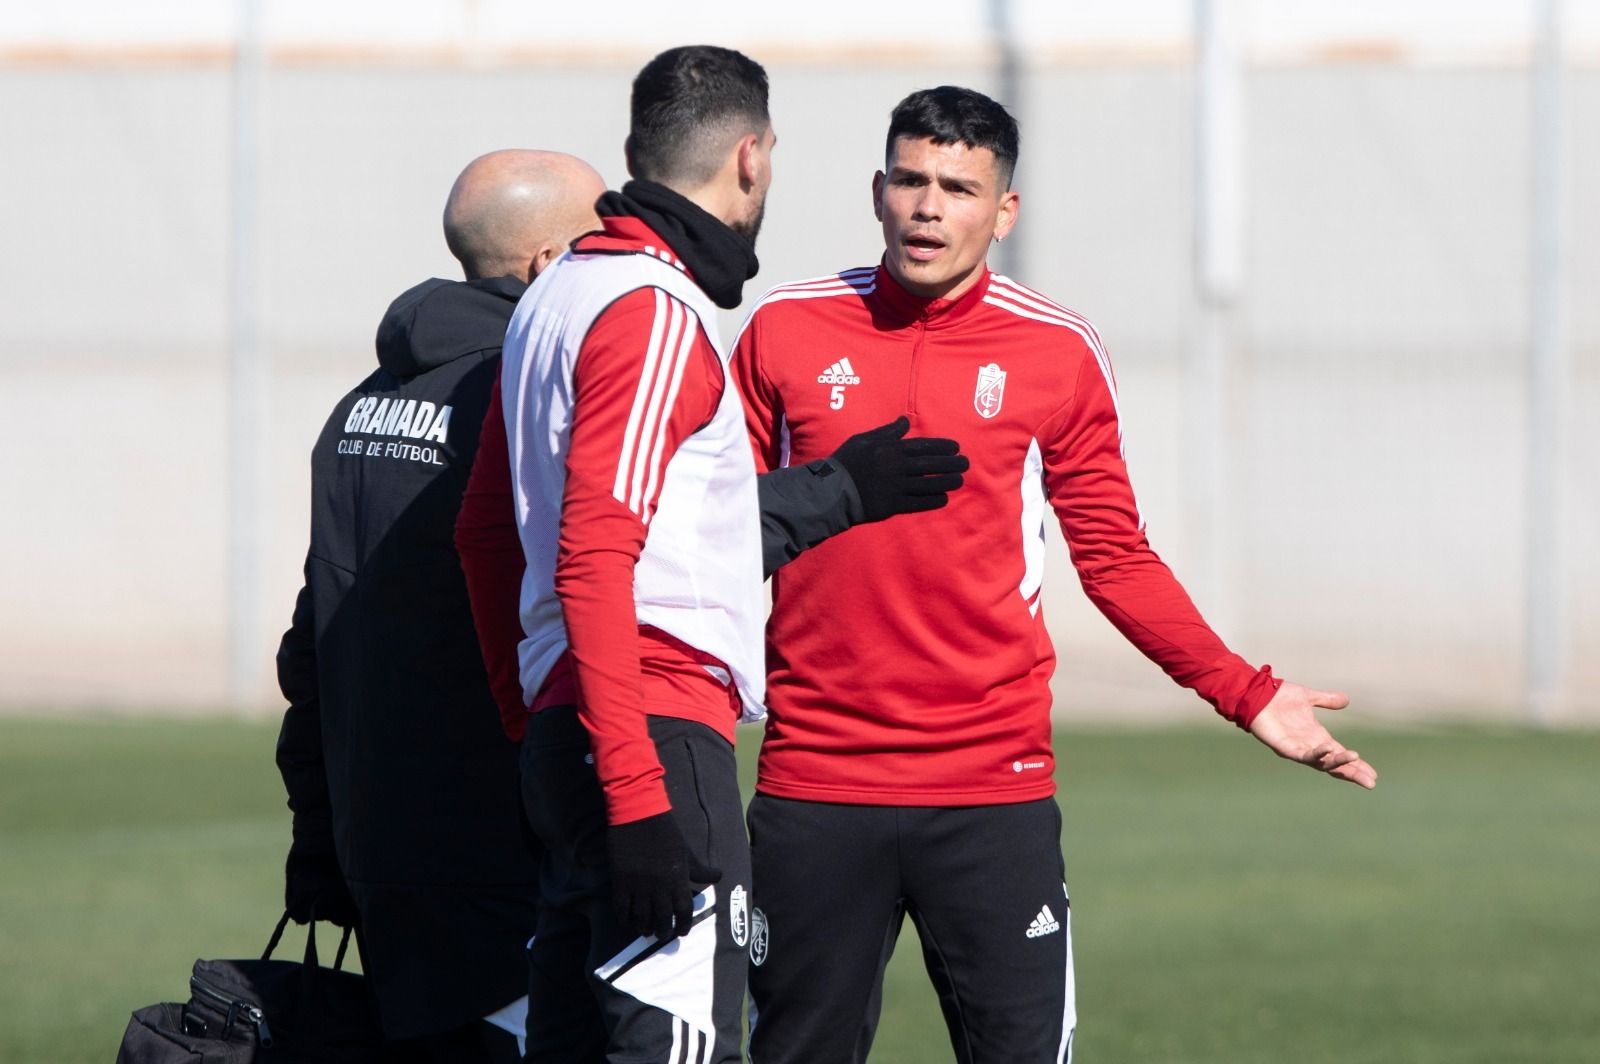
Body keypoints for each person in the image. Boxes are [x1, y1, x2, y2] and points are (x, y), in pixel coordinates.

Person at [729, 85, 1380, 1064]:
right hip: (814, 781)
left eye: (958, 186)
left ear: (1005, 210)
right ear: (876, 191)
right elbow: (715, 537)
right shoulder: (783, 331)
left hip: (991, 789)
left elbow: (1114, 556)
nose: (928, 206)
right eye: (909, 179)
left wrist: (1244, 693)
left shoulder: (1056, 350)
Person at [274, 148, 606, 1063]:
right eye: (601, 240)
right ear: (547, 265)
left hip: (381, 854)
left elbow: (313, 650)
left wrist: (321, 843)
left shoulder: (356, 409)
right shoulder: (526, 398)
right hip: (505, 859)